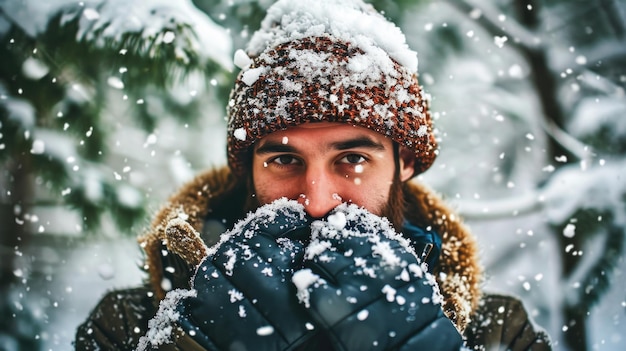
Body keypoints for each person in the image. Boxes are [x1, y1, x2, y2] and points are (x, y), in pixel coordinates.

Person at [74, 0, 552, 350]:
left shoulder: (497, 334)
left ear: (404, 163)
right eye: (284, 160)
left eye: (353, 159)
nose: (317, 200)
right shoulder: (131, 326)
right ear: (247, 172)